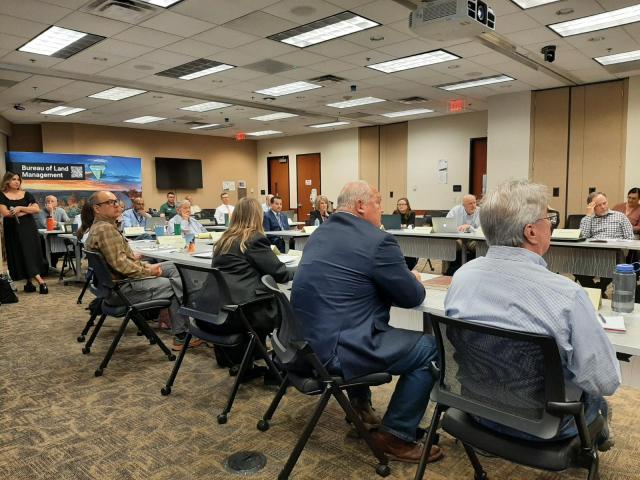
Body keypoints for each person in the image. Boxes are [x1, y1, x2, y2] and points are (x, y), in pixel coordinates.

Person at [445, 179, 619, 449]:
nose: (551, 223)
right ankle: (595, 443)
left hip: (478, 411)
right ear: (531, 232)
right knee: (600, 400)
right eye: (548, 217)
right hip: (546, 426)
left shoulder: (462, 276)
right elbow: (605, 380)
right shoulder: (567, 295)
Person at [290, 180, 443, 464]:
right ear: (361, 206)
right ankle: (396, 436)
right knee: (431, 349)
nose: (382, 210)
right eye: (378, 203)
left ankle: (361, 406)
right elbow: (412, 297)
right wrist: (412, 277)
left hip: (305, 344)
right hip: (338, 349)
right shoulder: (377, 240)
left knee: (364, 320)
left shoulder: (320, 234)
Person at [84, 191, 202, 351]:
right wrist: (150, 271)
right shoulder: (105, 230)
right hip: (123, 290)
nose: (117, 205)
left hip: (112, 288)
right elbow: (123, 266)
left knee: (174, 267)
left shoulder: (99, 227)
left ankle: (182, 316)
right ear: (97, 208)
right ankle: (183, 334)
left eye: (116, 201)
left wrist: (145, 266)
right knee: (175, 283)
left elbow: (119, 261)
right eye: (111, 203)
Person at [197, 197, 293, 380]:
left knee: (263, 303)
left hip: (211, 314)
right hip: (236, 316)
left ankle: (245, 363)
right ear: (257, 216)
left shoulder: (223, 240)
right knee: (285, 309)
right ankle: (278, 370)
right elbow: (280, 274)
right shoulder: (253, 239)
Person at [576, 192, 634, 296]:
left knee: (611, 262)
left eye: (604, 203)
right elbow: (582, 236)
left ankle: (598, 290)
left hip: (613, 254)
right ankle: (598, 290)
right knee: (575, 265)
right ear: (591, 206)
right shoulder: (587, 219)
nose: (603, 207)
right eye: (598, 205)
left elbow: (630, 238)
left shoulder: (620, 217)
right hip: (592, 254)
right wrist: (588, 215)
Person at [0, 172, 48, 294]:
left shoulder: (27, 194)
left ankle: (37, 281)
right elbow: (5, 213)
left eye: (18, 179)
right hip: (12, 229)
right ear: (7, 181)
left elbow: (36, 209)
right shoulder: (2, 195)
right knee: (20, 252)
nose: (16, 182)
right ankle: (33, 282)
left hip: (28, 228)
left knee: (29, 252)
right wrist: (28, 209)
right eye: (13, 179)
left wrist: (20, 209)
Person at [37, 195, 71, 268]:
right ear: (45, 203)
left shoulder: (61, 211)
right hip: (44, 237)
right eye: (47, 201)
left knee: (65, 243)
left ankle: (52, 264)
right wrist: (51, 212)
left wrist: (58, 223)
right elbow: (48, 226)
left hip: (57, 236)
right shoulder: (41, 212)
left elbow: (68, 224)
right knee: (44, 246)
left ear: (56, 203)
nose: (50, 203)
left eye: (52, 201)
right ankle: (49, 266)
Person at [393, 197, 418, 270]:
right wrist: (402, 226)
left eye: (403, 204)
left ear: (407, 205)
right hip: (397, 236)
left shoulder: (411, 213)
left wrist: (400, 225)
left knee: (408, 255)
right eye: (399, 204)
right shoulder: (395, 213)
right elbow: (392, 224)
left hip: (409, 237)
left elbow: (410, 225)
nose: (400, 206)